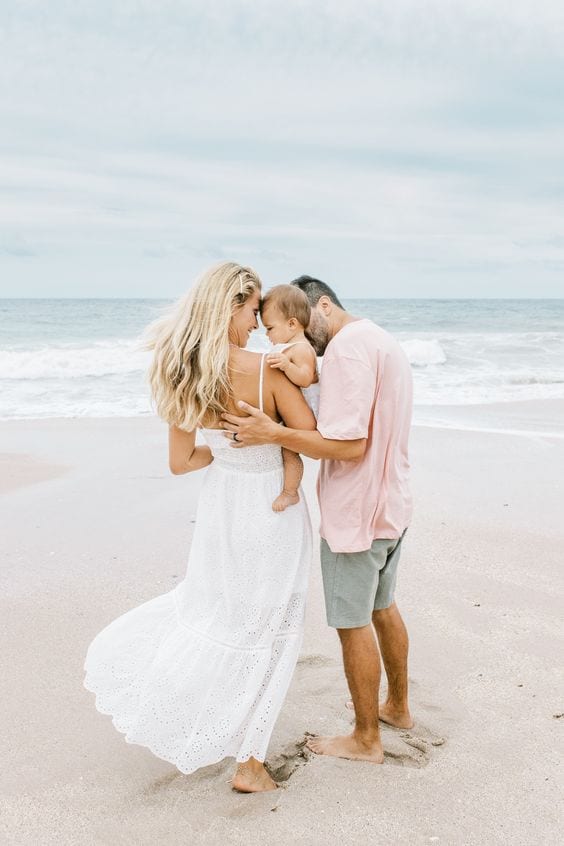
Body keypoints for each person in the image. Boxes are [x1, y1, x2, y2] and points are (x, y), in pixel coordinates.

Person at [84, 262, 316, 793]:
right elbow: (306, 436)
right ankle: (249, 763)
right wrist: (268, 434)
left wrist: (221, 451)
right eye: (254, 310)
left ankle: (211, 721)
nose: (258, 324)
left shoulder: (181, 371)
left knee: (218, 610)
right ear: (232, 305)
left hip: (220, 507)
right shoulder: (265, 369)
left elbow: (181, 461)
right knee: (273, 627)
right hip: (270, 506)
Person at [222, 275, 413, 765]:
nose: (298, 334)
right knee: (382, 607)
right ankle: (397, 708)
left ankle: (366, 739)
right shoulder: (379, 339)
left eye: (299, 322)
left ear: (321, 304)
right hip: (392, 503)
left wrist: (270, 434)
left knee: (351, 624)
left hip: (356, 512)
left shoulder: (347, 349)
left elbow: (350, 446)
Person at [260, 284, 319, 512]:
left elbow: (305, 378)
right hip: (293, 411)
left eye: (270, 328)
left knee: (289, 450)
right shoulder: (291, 346)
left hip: (306, 413)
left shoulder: (302, 349)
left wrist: (285, 365)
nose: (267, 334)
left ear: (292, 323)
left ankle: (290, 492)